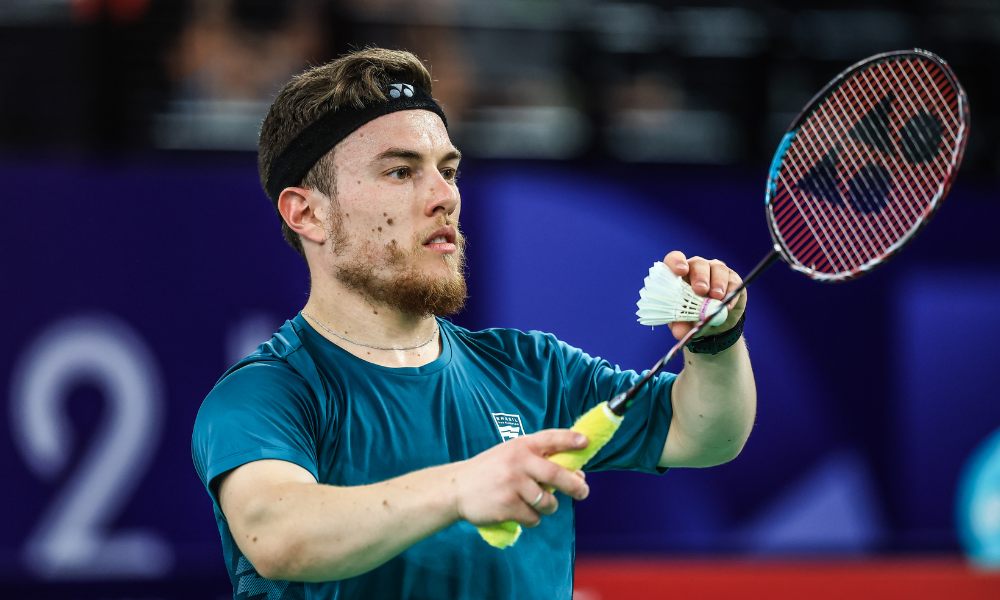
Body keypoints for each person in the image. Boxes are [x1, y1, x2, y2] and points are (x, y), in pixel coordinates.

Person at [192, 47, 755, 600]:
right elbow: (279, 533)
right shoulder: (267, 393)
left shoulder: (534, 370)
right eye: (400, 171)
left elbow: (703, 432)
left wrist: (716, 344)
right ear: (307, 212)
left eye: (448, 170)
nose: (445, 197)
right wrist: (461, 485)